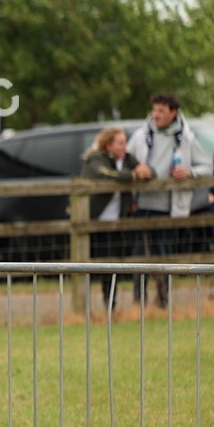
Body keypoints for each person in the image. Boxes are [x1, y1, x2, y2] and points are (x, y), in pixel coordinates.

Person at [130, 93, 214, 307]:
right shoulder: (141, 136)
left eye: (161, 111)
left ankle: (163, 301)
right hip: (142, 205)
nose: (156, 115)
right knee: (139, 255)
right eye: (154, 110)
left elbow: (207, 167)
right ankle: (138, 302)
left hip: (169, 208)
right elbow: (126, 161)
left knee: (164, 254)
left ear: (173, 113)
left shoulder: (186, 138)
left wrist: (190, 172)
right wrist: (136, 170)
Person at [81, 127, 139, 308]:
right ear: (109, 144)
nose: (124, 146)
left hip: (118, 222)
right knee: (96, 266)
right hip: (96, 222)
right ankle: (92, 306)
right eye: (120, 143)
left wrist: (143, 172)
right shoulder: (95, 158)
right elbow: (102, 173)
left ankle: (111, 305)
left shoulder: (127, 159)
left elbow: (147, 170)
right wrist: (130, 176)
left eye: (124, 142)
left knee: (115, 265)